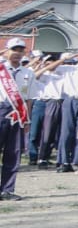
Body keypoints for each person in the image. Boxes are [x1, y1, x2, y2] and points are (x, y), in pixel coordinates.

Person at [1, 37, 32, 200]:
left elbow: (28, 99)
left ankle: (7, 189)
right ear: (6, 51)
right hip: (1, 109)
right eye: (14, 50)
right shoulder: (0, 69)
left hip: (19, 115)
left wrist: (27, 120)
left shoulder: (28, 73)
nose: (18, 54)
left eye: (21, 50)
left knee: (13, 152)